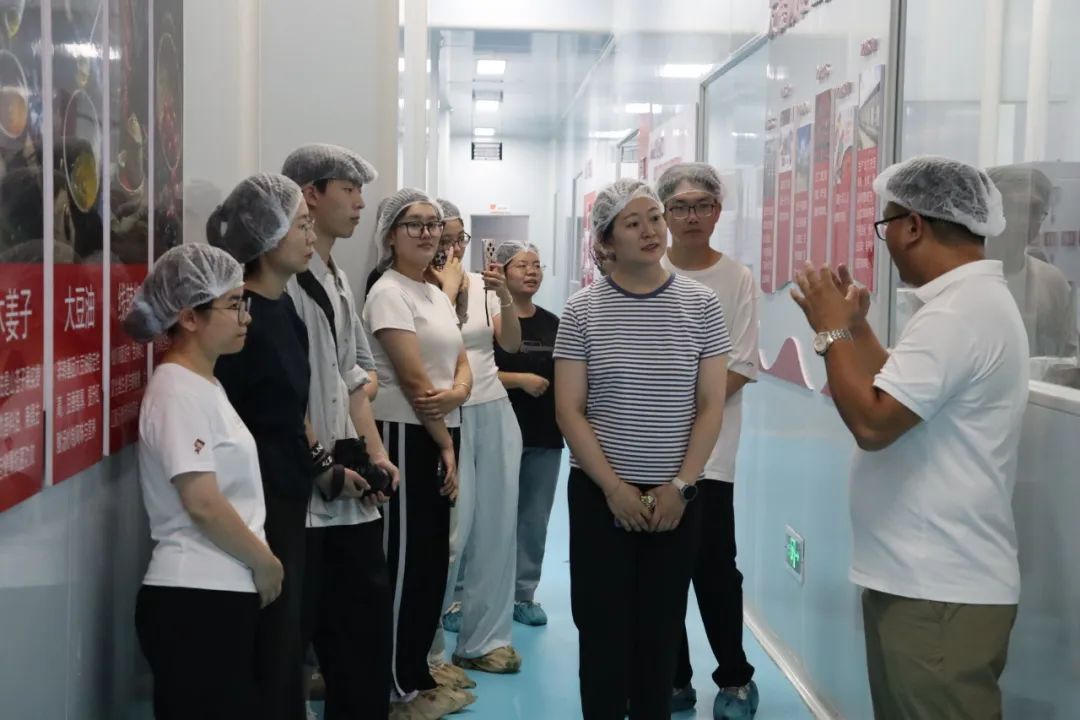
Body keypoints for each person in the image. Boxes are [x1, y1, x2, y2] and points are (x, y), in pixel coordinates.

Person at [790, 155, 1029, 719]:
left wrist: (830, 332)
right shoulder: (962, 306)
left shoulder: (959, 315)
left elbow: (873, 424)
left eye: (887, 225)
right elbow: (896, 392)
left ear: (913, 226)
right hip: (924, 579)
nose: (885, 244)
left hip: (939, 587)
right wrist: (854, 328)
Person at [554, 178, 732, 719]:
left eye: (654, 217)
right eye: (633, 223)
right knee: (602, 630)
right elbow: (570, 410)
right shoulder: (582, 311)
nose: (651, 230)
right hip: (600, 496)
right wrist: (614, 489)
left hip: (675, 499)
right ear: (607, 240)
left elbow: (711, 407)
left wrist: (681, 486)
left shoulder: (701, 305)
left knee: (660, 633)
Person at [126, 244, 283, 720]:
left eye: (244, 303)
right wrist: (265, 563)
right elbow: (202, 503)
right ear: (189, 317)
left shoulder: (206, 384)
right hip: (194, 598)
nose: (245, 317)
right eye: (233, 305)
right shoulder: (176, 391)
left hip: (221, 593)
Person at [208, 173, 344, 720]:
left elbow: (295, 414)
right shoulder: (241, 323)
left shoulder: (285, 307)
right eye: (301, 226)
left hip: (288, 494)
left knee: (287, 639)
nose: (311, 237)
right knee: (266, 643)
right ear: (265, 236)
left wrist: (326, 469)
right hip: (252, 501)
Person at [280, 144, 399, 720]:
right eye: (348, 190)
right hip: (307, 493)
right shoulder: (284, 284)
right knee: (299, 644)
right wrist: (324, 466)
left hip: (349, 488)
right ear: (310, 194)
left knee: (363, 642)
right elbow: (286, 393)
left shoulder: (337, 277)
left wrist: (376, 453)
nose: (359, 204)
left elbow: (353, 376)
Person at [364, 188, 475, 719]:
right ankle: (392, 687)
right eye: (415, 224)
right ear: (390, 235)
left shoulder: (432, 291)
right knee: (404, 564)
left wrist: (459, 394)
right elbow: (413, 380)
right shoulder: (388, 293)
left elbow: (459, 360)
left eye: (433, 224)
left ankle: (415, 674)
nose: (428, 233)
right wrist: (445, 441)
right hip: (405, 435)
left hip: (438, 429)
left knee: (432, 562)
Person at [657, 163, 760, 719]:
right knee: (661, 569)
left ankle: (735, 678)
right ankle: (674, 679)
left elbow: (740, 365)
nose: (692, 216)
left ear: (718, 212)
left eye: (702, 205)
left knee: (716, 568)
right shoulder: (647, 272)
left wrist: (683, 406)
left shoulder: (737, 279)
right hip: (649, 450)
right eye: (680, 206)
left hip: (713, 456)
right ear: (665, 214)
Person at [426, 199, 524, 676]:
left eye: (458, 238)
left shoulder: (483, 285)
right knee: (448, 535)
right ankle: (427, 652)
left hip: (493, 410)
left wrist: (504, 296)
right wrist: (446, 288)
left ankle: (484, 641)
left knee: (496, 530)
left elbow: (510, 344)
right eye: (443, 239)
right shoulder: (412, 289)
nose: (452, 248)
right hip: (445, 416)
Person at [492, 241, 564, 627]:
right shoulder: (490, 320)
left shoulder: (554, 323)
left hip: (544, 437)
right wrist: (519, 379)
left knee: (534, 520)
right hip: (497, 433)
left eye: (537, 265)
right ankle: (469, 595)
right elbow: (476, 372)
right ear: (502, 272)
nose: (532, 272)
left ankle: (524, 595)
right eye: (522, 265)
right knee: (489, 517)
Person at [986, 164, 1078, 358]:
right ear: (990, 210)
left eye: (1034, 210)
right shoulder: (959, 275)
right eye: (1012, 207)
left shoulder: (1053, 282)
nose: (1023, 219)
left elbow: (1068, 355)